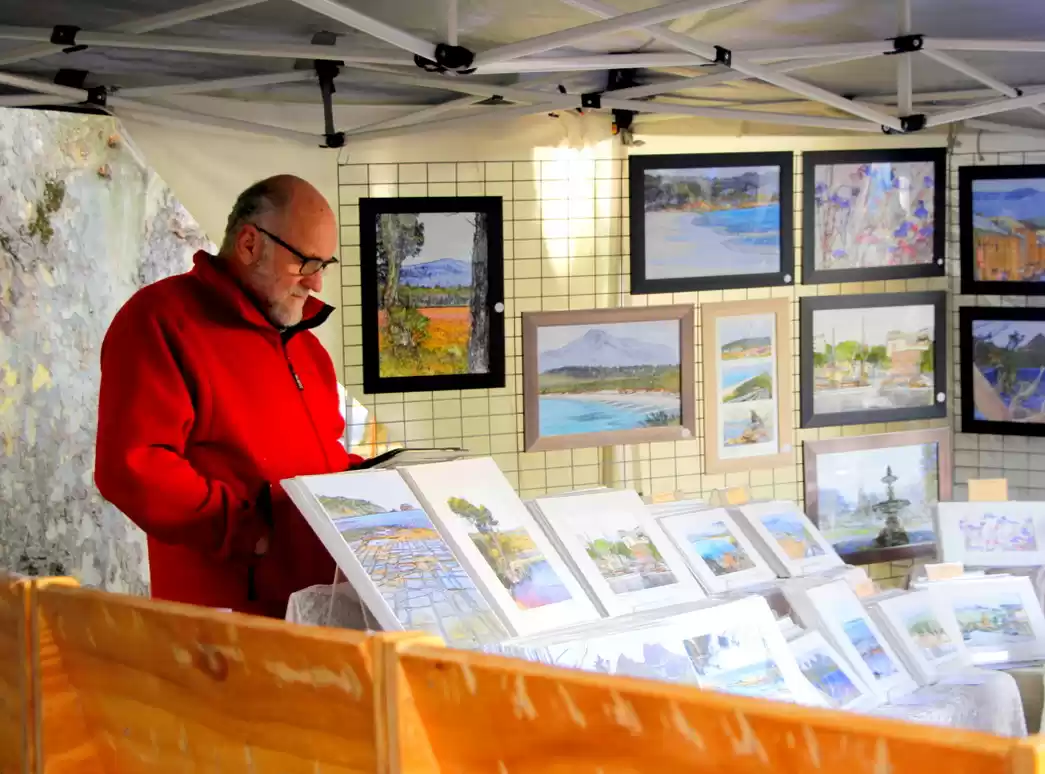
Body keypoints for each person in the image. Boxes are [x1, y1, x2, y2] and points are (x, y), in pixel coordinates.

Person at [95, 175, 363, 617]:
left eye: (324, 266)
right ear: (249, 244)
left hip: (315, 618)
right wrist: (245, 533)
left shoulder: (306, 347)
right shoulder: (162, 320)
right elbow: (134, 466)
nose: (316, 285)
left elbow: (320, 458)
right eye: (305, 264)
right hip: (225, 630)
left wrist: (378, 490)